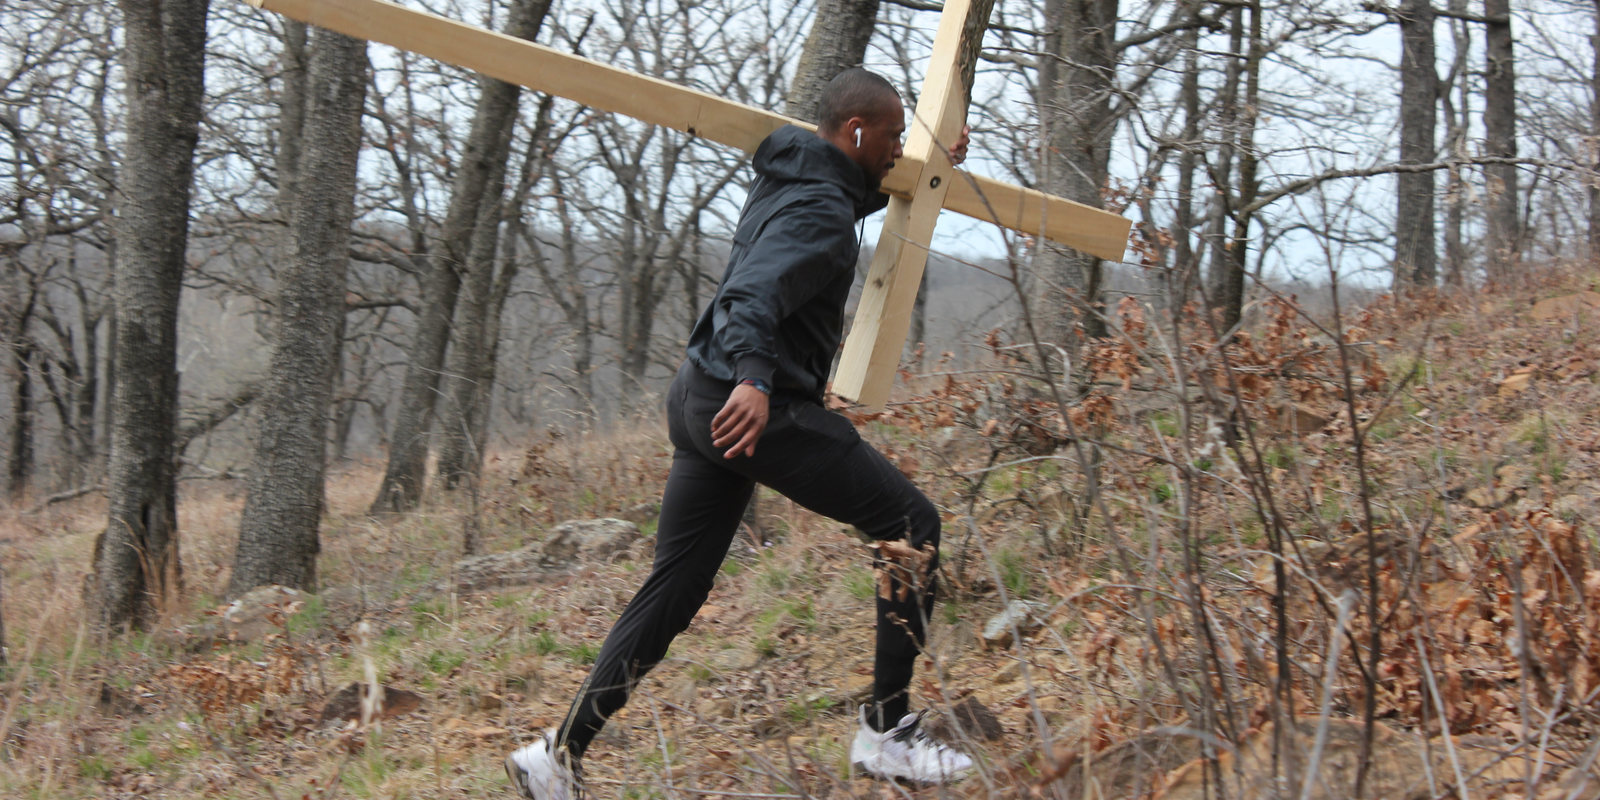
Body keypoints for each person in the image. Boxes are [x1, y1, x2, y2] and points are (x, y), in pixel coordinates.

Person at [506, 69, 975, 799]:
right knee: (910, 522)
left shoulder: (792, 172)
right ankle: (888, 732)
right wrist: (757, 379)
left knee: (677, 584)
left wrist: (937, 162)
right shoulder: (821, 206)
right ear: (855, 132)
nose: (895, 151)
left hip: (697, 397)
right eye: (890, 138)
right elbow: (752, 293)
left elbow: (857, 191)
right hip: (754, 406)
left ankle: (558, 754)